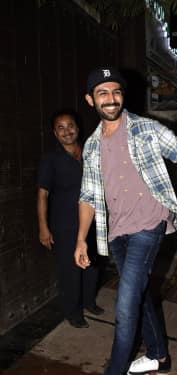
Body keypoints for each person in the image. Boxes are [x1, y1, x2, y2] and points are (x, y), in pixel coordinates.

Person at [74, 67, 177, 375]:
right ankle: (159, 356)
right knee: (141, 293)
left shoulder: (146, 129)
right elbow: (87, 197)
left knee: (124, 306)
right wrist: (81, 238)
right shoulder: (92, 146)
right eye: (102, 93)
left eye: (116, 92)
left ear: (123, 96)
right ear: (90, 99)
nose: (111, 99)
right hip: (117, 232)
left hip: (149, 225)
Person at [37, 109, 104, 329]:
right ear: (55, 133)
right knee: (71, 270)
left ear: (78, 128)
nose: (67, 131)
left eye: (70, 126)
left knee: (92, 264)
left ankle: (88, 302)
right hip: (65, 224)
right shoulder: (51, 160)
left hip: (92, 220)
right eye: (61, 127)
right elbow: (42, 194)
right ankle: (73, 312)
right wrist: (43, 228)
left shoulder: (90, 152)